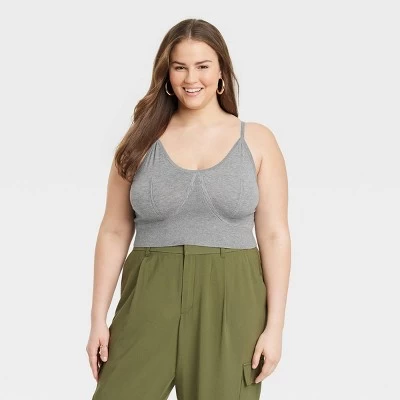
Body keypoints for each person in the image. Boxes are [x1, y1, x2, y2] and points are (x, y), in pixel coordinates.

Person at [87, 18, 291, 400]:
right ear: (167, 74)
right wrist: (98, 318)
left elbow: (275, 234)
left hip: (232, 298)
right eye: (180, 67)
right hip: (149, 293)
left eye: (203, 66)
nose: (191, 78)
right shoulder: (139, 141)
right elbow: (114, 229)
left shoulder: (258, 140)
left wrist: (275, 325)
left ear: (221, 72)